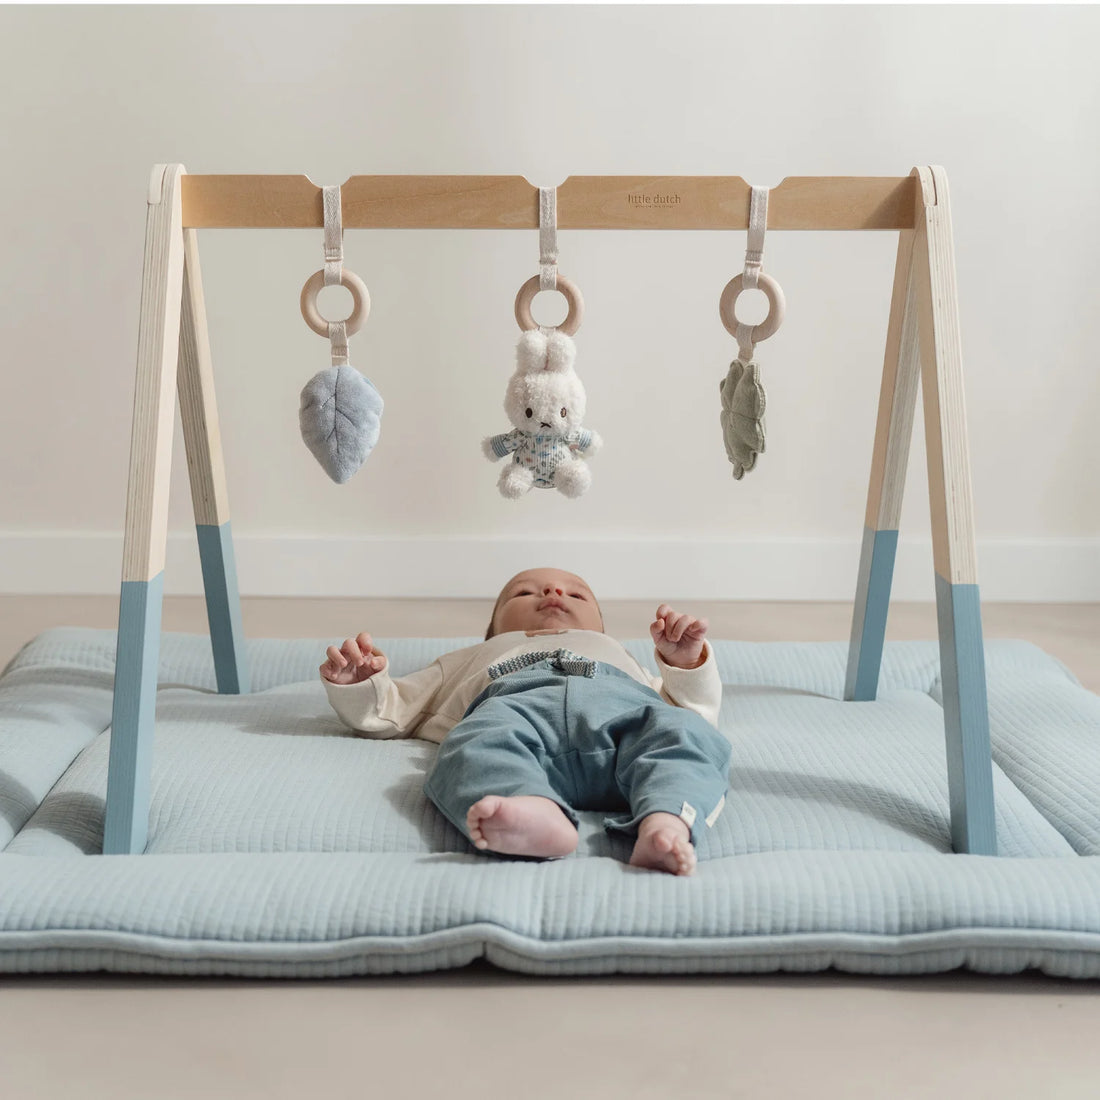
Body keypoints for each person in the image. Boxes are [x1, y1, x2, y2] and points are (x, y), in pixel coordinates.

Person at [319, 567, 731, 876]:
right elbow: (393, 708)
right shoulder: (467, 659)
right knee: (473, 745)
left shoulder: (619, 654)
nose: (553, 592)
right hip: (514, 709)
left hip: (618, 709)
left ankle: (666, 822)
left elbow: (689, 711)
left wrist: (684, 663)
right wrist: (362, 684)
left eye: (576, 593)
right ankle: (531, 810)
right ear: (493, 628)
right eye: (524, 591)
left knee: (683, 735)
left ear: (602, 629)